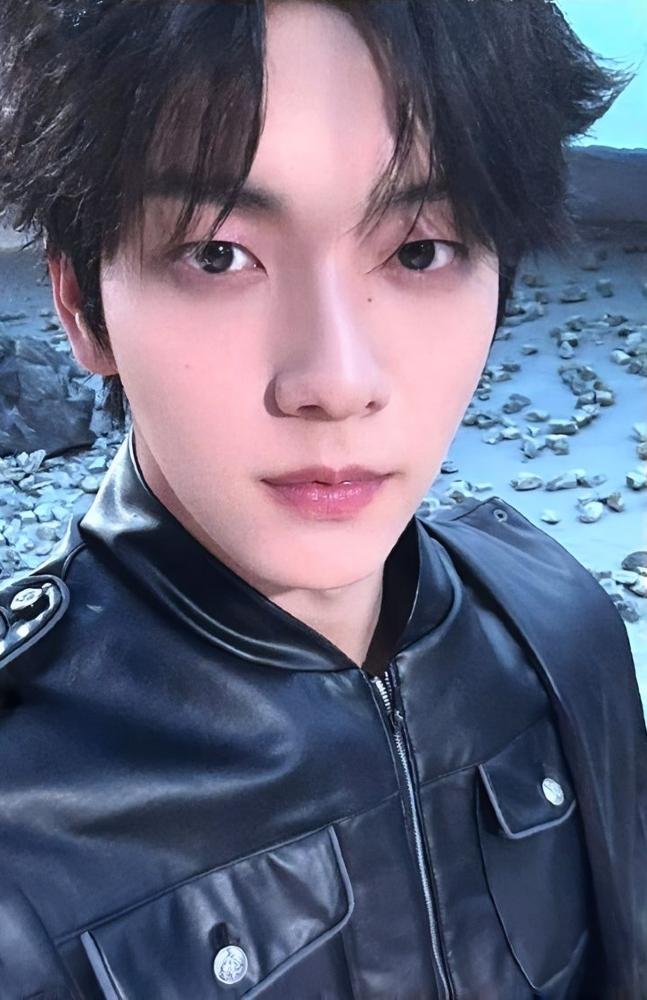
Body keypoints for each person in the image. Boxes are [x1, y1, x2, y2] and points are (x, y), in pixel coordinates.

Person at [0, 1, 645, 997]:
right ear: (83, 305)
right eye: (217, 254)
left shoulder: (556, 624)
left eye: (419, 250)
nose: (335, 381)